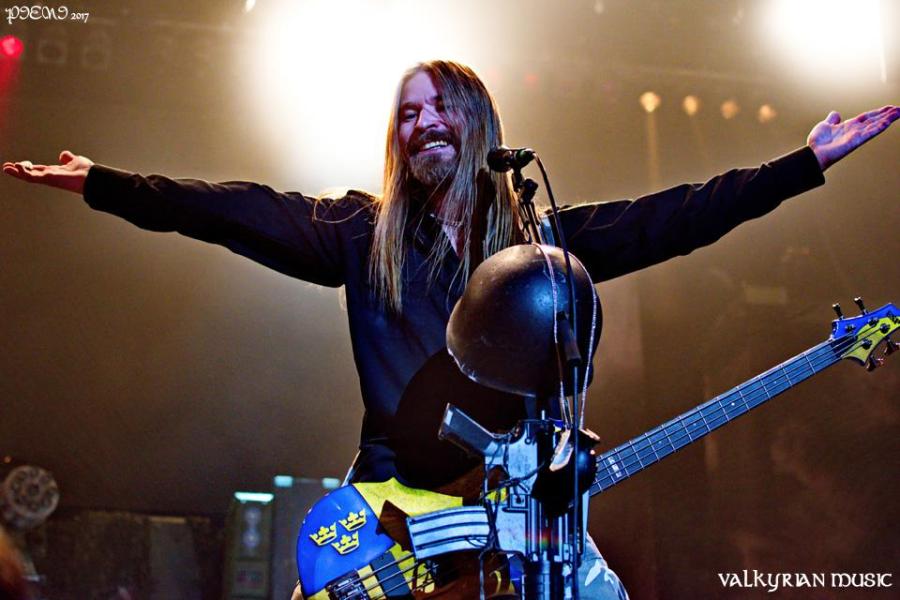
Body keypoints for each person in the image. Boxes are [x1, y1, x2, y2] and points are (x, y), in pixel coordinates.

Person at [3, 60, 897, 599]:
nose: (423, 121)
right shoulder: (361, 233)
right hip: (398, 512)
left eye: (441, 106)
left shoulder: (541, 243)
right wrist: (107, 183)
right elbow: (234, 209)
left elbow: (675, 217)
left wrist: (801, 164)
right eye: (407, 111)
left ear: (480, 124)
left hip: (519, 507)